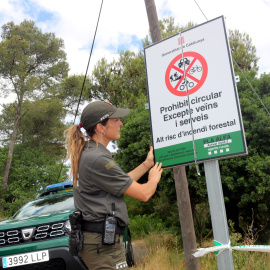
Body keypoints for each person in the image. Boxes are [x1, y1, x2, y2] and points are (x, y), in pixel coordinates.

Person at [64, 100, 163, 270]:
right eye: (115, 120)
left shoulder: (89, 152)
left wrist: (146, 165)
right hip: (101, 245)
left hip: (100, 241)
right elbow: (144, 194)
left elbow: (121, 183)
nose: (121, 123)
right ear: (101, 128)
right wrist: (153, 179)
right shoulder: (98, 159)